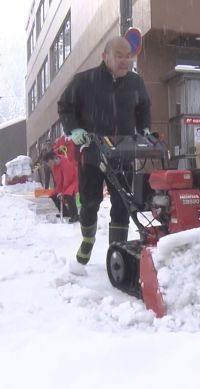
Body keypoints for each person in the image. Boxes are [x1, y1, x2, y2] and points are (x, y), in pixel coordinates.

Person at [58, 36, 151, 265]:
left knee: (123, 203)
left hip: (123, 152)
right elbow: (64, 106)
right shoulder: (84, 81)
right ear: (105, 57)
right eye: (119, 56)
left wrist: (145, 128)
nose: (124, 61)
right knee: (90, 202)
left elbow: (144, 107)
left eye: (128, 56)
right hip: (92, 152)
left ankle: (116, 252)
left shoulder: (135, 83)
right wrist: (75, 129)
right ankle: (88, 238)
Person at [41, 137, 79, 223]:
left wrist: (62, 191)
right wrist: (59, 190)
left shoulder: (65, 163)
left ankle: (75, 215)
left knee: (68, 194)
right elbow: (59, 180)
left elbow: (68, 179)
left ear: (53, 159)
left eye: (48, 162)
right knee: (53, 195)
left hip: (73, 182)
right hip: (64, 184)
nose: (48, 165)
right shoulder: (54, 167)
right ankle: (66, 212)